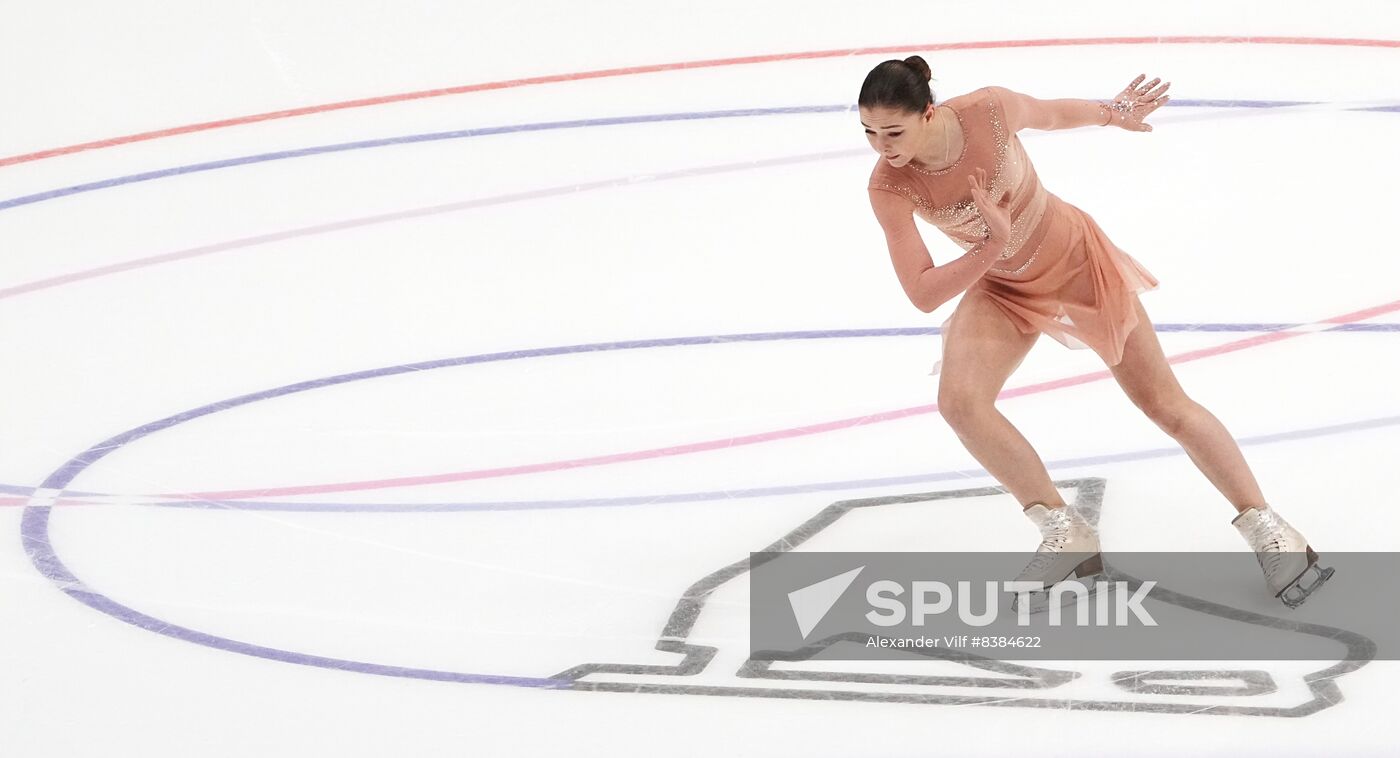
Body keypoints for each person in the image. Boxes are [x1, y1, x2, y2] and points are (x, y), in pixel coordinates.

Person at [858, 56, 1333, 608]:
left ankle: (1271, 531)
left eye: (893, 131)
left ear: (928, 113)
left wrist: (1112, 113)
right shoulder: (889, 186)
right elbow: (922, 292)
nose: (882, 145)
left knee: (1163, 403)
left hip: (1077, 261)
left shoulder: (988, 110)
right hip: (1002, 284)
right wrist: (991, 246)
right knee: (960, 403)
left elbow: (1051, 114)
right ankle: (1066, 533)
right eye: (868, 131)